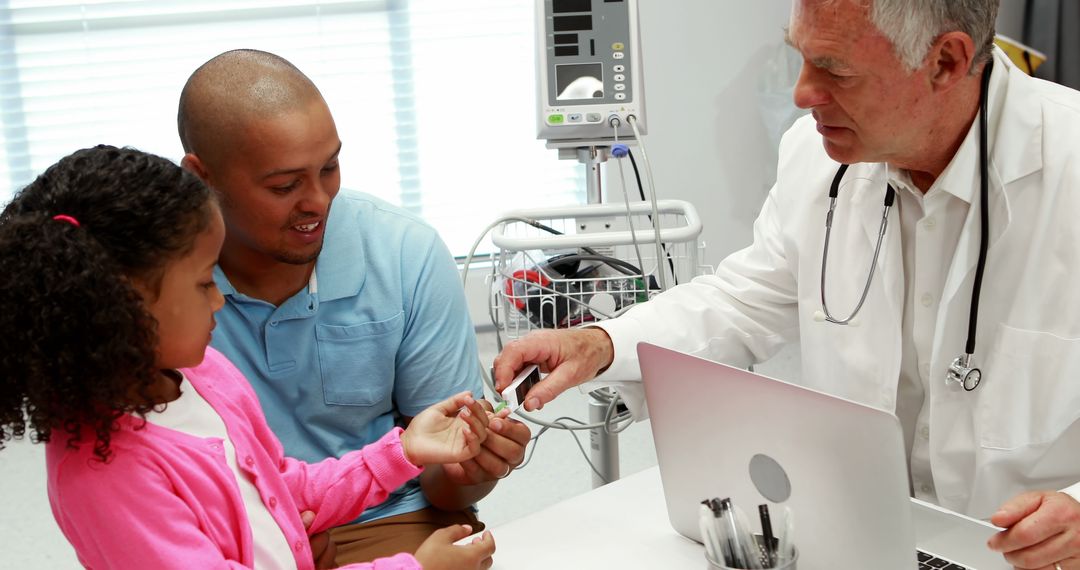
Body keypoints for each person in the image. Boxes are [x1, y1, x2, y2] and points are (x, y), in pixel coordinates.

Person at [494, 1, 1080, 568]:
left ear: (945, 62)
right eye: (800, 56)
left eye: (834, 69)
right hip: (854, 539)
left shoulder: (1068, 167)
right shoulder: (815, 158)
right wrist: (602, 342)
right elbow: (739, 301)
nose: (801, 94)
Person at [0, 145, 498, 569]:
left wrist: (403, 451)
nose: (219, 298)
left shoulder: (202, 375)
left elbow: (282, 486)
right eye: (202, 284)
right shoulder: (104, 474)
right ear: (119, 306)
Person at [176, 49, 530, 565]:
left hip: (385, 517)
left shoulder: (405, 254)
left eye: (330, 167)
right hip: (234, 533)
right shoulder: (163, 286)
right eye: (285, 185)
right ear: (202, 177)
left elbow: (442, 487)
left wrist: (470, 472)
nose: (319, 200)